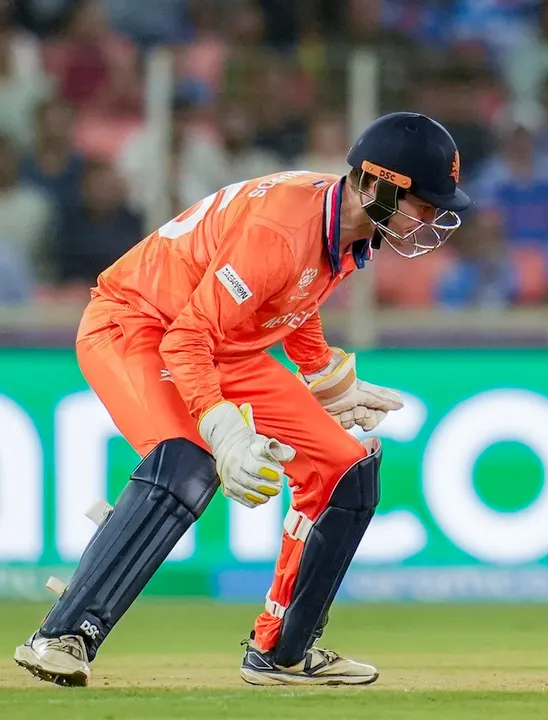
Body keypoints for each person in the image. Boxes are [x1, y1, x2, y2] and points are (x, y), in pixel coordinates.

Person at [13, 112, 473, 688]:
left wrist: (323, 372)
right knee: (188, 460)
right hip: (139, 325)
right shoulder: (282, 229)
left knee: (346, 470)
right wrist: (223, 429)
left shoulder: (346, 227)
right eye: (423, 203)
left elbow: (295, 296)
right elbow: (187, 337)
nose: (430, 218)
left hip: (221, 343)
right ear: (377, 184)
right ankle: (62, 635)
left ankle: (283, 653)